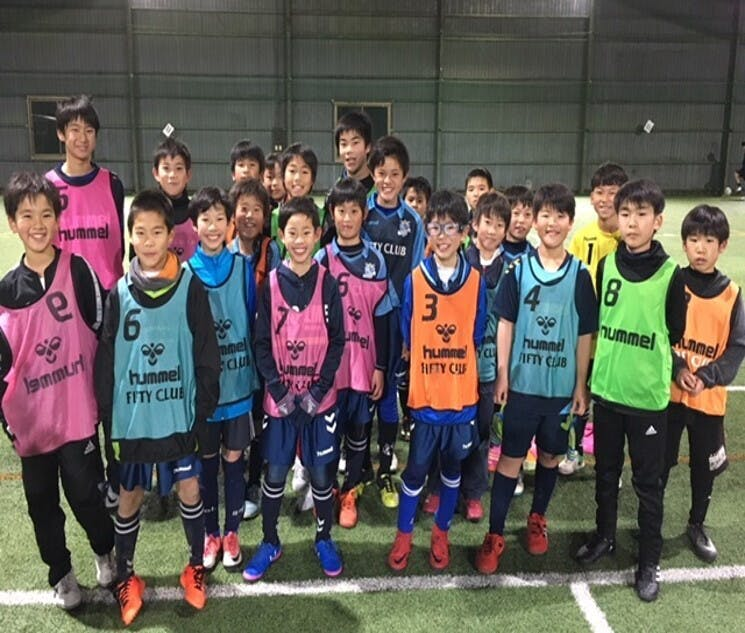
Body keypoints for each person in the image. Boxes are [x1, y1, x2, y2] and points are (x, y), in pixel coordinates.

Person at [95, 189, 220, 625]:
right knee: (130, 496)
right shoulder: (118, 294)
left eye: (156, 232)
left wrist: (202, 410)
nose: (148, 241)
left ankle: (194, 567)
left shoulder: (190, 288)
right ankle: (127, 576)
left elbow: (207, 354)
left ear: (171, 235)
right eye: (140, 232)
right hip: (134, 421)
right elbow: (107, 363)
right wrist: (108, 419)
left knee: (190, 490)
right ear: (130, 237)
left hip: (178, 417)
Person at [0, 172, 115, 610]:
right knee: (42, 504)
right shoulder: (5, 293)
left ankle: (104, 550)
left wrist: (104, 399)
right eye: (27, 215)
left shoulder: (79, 271)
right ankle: (61, 574)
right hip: (32, 425)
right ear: (13, 223)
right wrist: (9, 423)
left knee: (86, 494)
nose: (38, 224)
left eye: (46, 214)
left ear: (58, 219)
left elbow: (103, 335)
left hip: (77, 415)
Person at [475, 183, 597, 574]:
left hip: (559, 390)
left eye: (560, 216)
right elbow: (505, 323)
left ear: (570, 222)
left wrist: (580, 384)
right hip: (522, 387)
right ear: (534, 221)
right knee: (510, 459)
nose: (552, 223)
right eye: (545, 215)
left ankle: (537, 518)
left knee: (549, 457)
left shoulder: (580, 275)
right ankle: (494, 534)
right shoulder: (518, 270)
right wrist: (503, 374)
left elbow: (584, 334)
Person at [575, 179, 687, 603]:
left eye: (642, 214)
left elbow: (675, 332)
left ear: (658, 221)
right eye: (626, 214)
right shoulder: (606, 266)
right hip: (607, 393)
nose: (633, 222)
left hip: (647, 401)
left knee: (648, 484)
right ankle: (604, 536)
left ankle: (648, 562)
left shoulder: (672, 275)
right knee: (605, 474)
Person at [244, 196, 345, 581]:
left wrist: (317, 392)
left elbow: (337, 342)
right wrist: (280, 392)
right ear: (281, 236)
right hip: (280, 403)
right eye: (292, 232)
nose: (299, 240)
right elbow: (260, 343)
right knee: (275, 475)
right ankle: (270, 541)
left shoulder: (328, 283)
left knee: (321, 476)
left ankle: (324, 538)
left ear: (318, 234)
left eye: (307, 232)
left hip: (321, 402)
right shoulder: (270, 285)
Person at [387, 189, 486, 571]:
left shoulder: (475, 281)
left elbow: (476, 335)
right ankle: (404, 535)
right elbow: (408, 335)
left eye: (450, 228)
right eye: (435, 227)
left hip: (460, 400)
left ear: (465, 232)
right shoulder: (415, 279)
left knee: (452, 472)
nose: (442, 236)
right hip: (426, 400)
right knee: (415, 471)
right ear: (426, 230)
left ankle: (441, 534)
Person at [663, 205, 745, 562]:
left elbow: (737, 348)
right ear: (684, 244)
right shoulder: (672, 282)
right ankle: (650, 521)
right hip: (668, 396)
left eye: (709, 241)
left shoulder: (732, 295)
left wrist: (707, 377)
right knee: (659, 462)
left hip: (708, 401)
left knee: (703, 467)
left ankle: (697, 524)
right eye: (694, 240)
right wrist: (677, 367)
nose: (700, 248)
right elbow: (659, 333)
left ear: (722, 245)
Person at [186, 187, 260, 571]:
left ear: (230, 223)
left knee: (234, 459)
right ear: (194, 225)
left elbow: (252, 320)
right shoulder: (185, 273)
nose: (213, 227)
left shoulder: (244, 268)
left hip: (238, 386)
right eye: (206, 219)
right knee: (206, 461)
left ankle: (231, 532)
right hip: (204, 391)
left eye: (220, 219)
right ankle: (210, 533)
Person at [315, 178, 395, 528]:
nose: (347, 219)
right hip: (331, 369)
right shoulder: (321, 260)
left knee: (359, 430)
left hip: (363, 365)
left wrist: (381, 367)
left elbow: (383, 318)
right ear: (332, 214)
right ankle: (328, 489)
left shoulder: (376, 260)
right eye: (340, 211)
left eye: (353, 211)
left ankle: (350, 491)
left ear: (364, 214)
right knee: (329, 433)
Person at [363, 135, 425, 508]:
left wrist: (407, 333)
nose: (387, 181)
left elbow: (415, 279)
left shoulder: (413, 222)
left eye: (394, 174)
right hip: (359, 322)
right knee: (357, 396)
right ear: (372, 173)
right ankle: (355, 467)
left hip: (393, 323)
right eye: (381, 173)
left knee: (388, 395)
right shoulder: (360, 211)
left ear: (405, 177)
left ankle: (385, 466)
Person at [559, 163, 628, 476]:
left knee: (612, 405)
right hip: (586, 336)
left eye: (612, 192)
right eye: (599, 192)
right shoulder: (583, 237)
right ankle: (574, 452)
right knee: (580, 393)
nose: (605, 199)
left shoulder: (630, 239)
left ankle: (611, 464)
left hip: (616, 339)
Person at [227, 178, 280, 520]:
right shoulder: (223, 253)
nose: (249, 216)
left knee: (260, 419)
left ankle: (253, 483)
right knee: (234, 419)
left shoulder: (271, 253)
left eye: (256, 209)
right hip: (231, 355)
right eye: (243, 208)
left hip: (262, 352)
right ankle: (231, 479)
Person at [46, 94, 125, 291]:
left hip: (108, 294)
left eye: (89, 131)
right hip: (64, 295)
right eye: (75, 130)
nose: (82, 138)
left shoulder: (112, 184)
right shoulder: (47, 187)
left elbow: (119, 245)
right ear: (61, 134)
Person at [152, 137, 196, 262]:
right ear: (156, 173)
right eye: (166, 168)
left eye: (179, 168)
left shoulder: (197, 213)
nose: (172, 175)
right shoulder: (146, 211)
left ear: (188, 175)